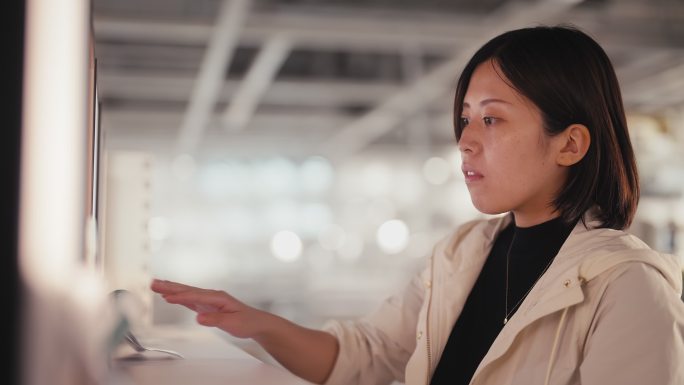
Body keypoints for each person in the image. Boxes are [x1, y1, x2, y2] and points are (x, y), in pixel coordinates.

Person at [150, 25, 684, 385]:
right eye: (466, 118)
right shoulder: (463, 251)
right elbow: (370, 353)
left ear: (570, 144)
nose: (465, 141)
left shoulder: (629, 286)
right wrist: (258, 323)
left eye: (492, 119)